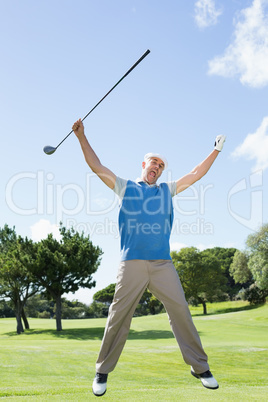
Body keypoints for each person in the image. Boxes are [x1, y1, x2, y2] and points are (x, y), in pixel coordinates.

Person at [72, 118, 226, 397]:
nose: (156, 167)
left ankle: (200, 367)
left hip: (161, 264)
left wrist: (215, 151)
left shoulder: (168, 190)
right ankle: (102, 371)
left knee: (180, 310)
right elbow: (96, 166)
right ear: (143, 166)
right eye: (152, 163)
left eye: (161, 165)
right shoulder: (125, 187)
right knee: (118, 316)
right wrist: (82, 136)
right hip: (131, 263)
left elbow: (195, 174)